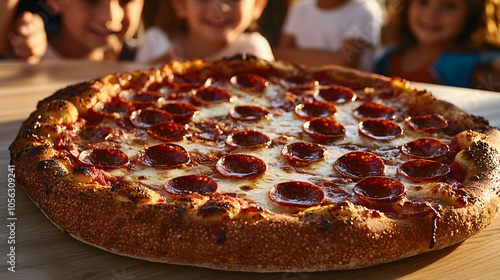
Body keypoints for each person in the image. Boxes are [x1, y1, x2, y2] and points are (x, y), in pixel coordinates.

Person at [375, 0, 500, 91]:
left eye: (449, 6)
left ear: (472, 13)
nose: (431, 15)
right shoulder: (389, 58)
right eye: (423, 2)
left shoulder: (479, 64)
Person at [135, 0, 274, 63]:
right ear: (180, 4)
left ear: (258, 4)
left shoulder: (253, 50)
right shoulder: (157, 43)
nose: (219, 8)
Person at [274, 0, 383, 71]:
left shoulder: (365, 10)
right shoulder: (299, 9)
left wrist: (293, 55)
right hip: (302, 91)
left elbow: (342, 63)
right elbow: (279, 53)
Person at [43, 0, 145, 61]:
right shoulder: (32, 60)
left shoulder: (147, 58)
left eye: (125, 1)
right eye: (91, 0)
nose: (111, 16)